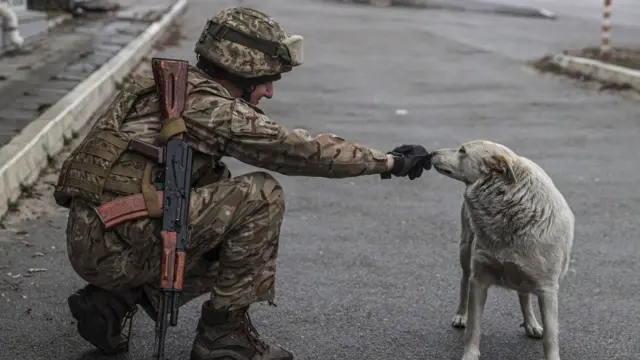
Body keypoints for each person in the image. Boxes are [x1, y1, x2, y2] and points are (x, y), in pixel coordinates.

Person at [54, 6, 431, 360]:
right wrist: (389, 162)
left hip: (93, 238)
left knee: (215, 189)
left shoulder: (159, 87)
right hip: (119, 249)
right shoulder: (212, 109)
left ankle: (110, 304)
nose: (269, 92)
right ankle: (223, 336)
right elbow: (299, 151)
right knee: (259, 197)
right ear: (245, 72)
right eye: (267, 80)